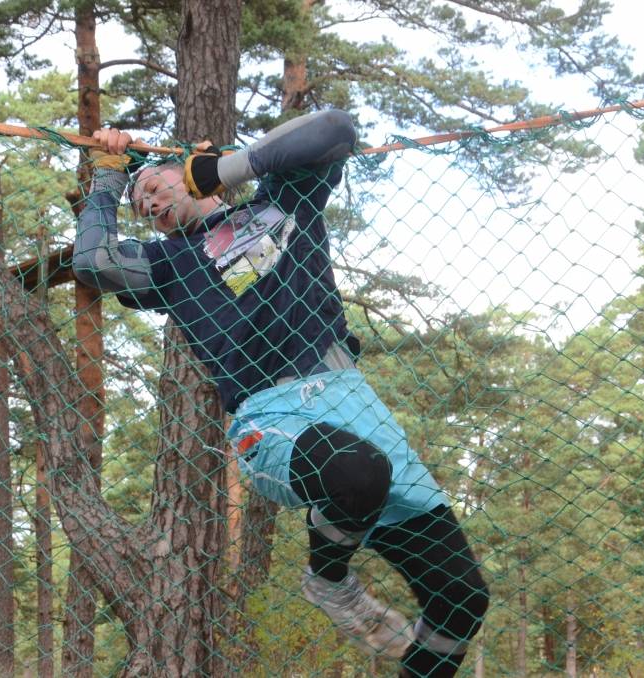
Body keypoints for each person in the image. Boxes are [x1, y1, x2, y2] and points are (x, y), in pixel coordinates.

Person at [73, 109, 489, 677]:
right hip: (272, 416)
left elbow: (335, 128)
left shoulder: (282, 202)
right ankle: (329, 579)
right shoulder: (169, 263)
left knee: (462, 598)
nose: (146, 202)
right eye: (138, 201)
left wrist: (221, 170)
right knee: (356, 472)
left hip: (354, 402)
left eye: (152, 184)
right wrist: (109, 174)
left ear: (187, 170)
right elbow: (93, 260)